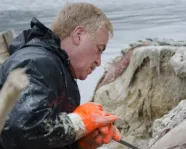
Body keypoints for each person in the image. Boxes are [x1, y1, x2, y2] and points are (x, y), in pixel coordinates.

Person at [0, 2, 121, 149]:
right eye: (99, 49)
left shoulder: (58, 68)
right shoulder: (36, 63)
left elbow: (40, 142)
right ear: (78, 35)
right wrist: (81, 121)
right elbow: (25, 126)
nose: (99, 61)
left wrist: (82, 143)